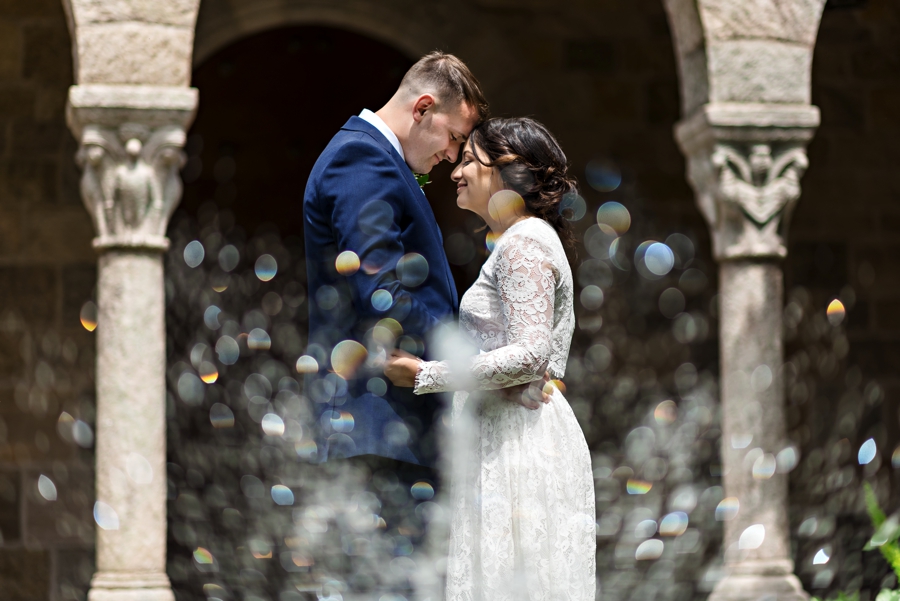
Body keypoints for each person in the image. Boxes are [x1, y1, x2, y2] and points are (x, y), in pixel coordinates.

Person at [384, 117, 597, 600]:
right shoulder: (521, 240)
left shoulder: (524, 242)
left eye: (468, 161)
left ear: (505, 172)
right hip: (505, 435)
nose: (456, 172)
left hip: (519, 441)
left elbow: (530, 353)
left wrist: (423, 375)